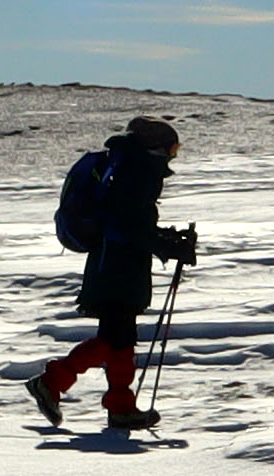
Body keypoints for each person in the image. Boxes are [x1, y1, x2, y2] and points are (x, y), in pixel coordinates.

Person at [25, 115, 197, 432]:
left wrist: (166, 239)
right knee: (114, 340)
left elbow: (133, 225)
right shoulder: (135, 174)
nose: (172, 157)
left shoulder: (130, 170)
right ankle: (51, 382)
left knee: (121, 342)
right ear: (155, 149)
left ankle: (121, 408)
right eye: (171, 149)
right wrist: (167, 246)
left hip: (115, 267)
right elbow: (127, 228)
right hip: (116, 270)